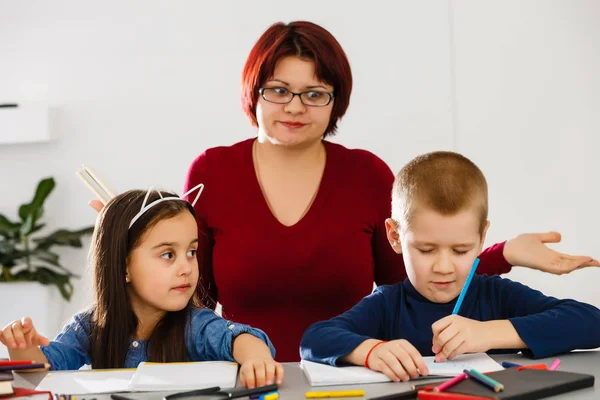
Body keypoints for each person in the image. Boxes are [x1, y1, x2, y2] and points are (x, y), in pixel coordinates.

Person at [178, 21, 599, 362]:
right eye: (278, 89)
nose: (294, 106)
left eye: (314, 93)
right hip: (245, 377)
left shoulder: (367, 175)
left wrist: (501, 255)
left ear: (335, 100)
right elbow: (185, 294)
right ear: (254, 91)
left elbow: (418, 276)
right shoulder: (211, 172)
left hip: (356, 380)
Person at [300, 151, 600, 382]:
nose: (444, 267)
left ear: (482, 238)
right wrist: (371, 351)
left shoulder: (495, 294)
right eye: (426, 249)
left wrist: (490, 334)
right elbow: (315, 339)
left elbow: (591, 322)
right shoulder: (388, 305)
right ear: (394, 237)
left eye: (461, 250)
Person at [1, 187, 283, 388]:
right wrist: (22, 347)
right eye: (168, 255)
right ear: (123, 267)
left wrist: (256, 359)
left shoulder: (194, 325)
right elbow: (45, 370)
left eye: (192, 251)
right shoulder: (90, 327)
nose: (186, 267)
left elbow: (239, 339)